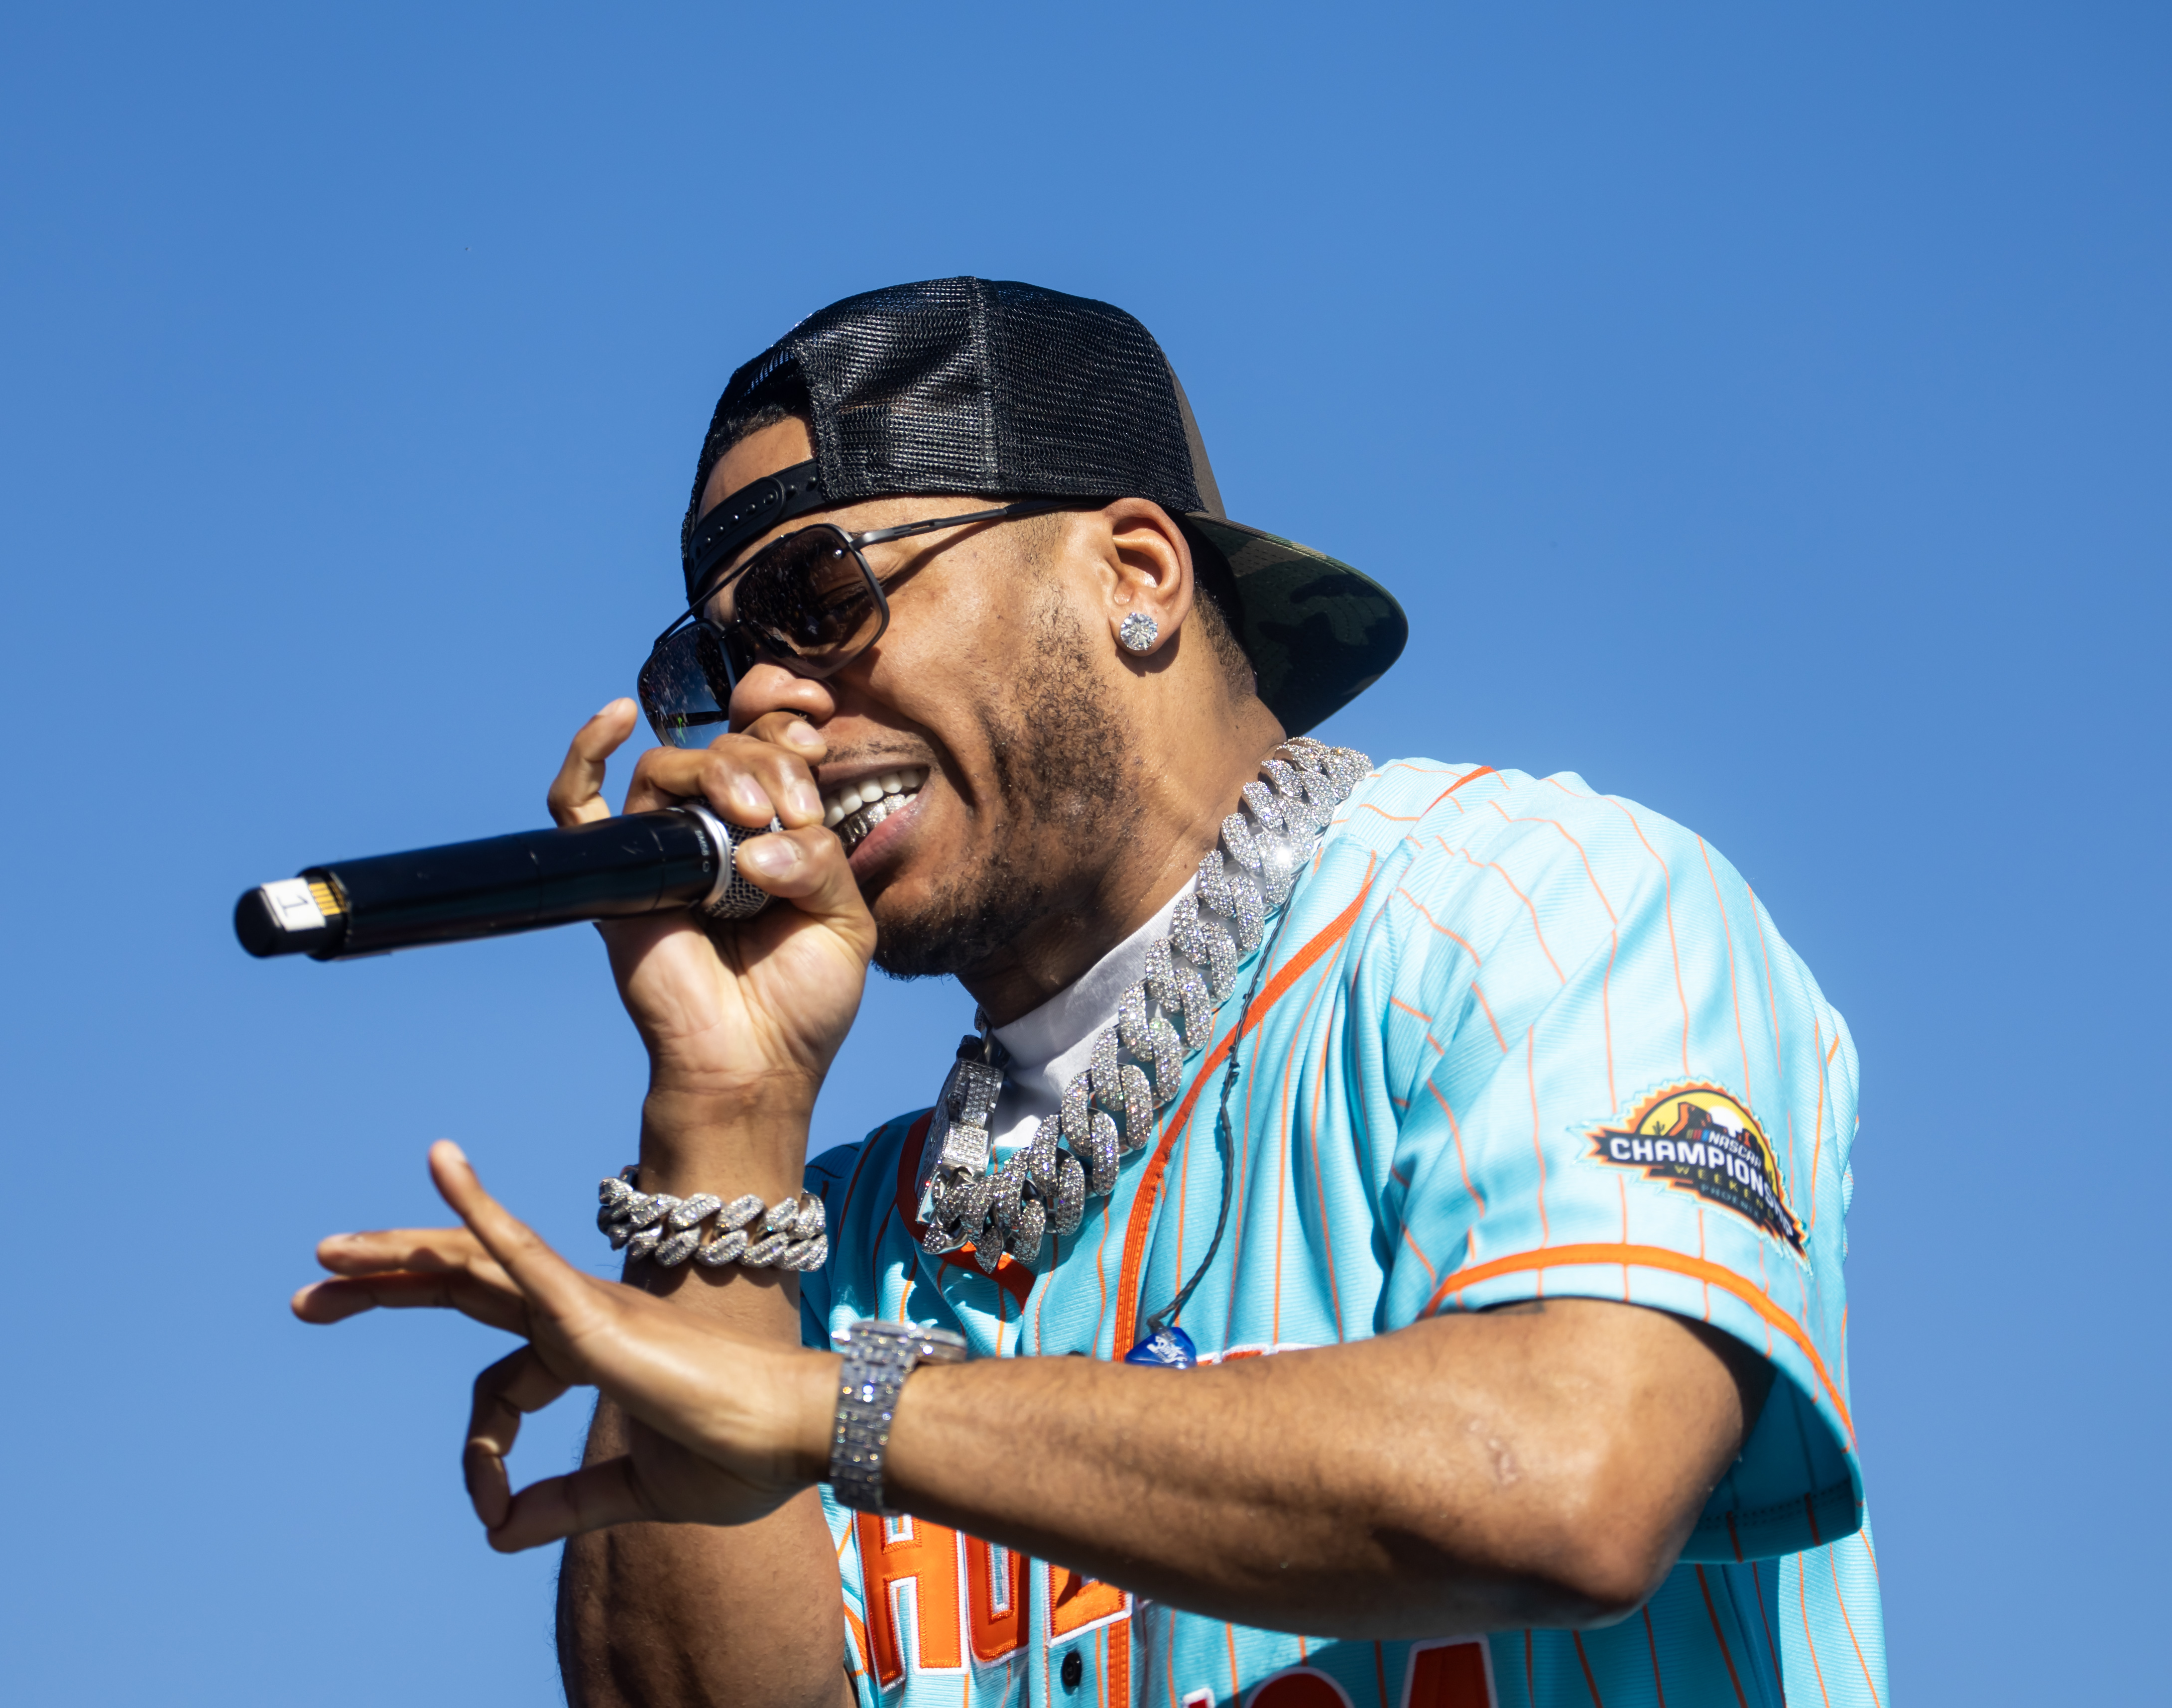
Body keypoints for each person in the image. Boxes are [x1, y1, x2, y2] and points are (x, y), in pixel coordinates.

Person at [292, 278, 1888, 1708]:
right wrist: (726, 1117)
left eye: (820, 598)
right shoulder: (823, 1249)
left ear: (1134, 572)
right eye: (715, 667)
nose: (767, 702)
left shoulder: (1531, 902)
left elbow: (1563, 1479)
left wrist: (829, 1407)